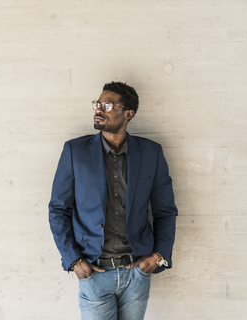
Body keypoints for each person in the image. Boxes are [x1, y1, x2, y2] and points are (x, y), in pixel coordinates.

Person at [48, 81, 178, 320]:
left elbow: (165, 211)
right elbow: (58, 210)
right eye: (97, 104)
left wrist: (158, 257)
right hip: (93, 271)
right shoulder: (75, 151)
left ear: (128, 113)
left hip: (137, 271)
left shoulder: (151, 153)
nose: (99, 109)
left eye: (107, 105)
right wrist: (74, 260)